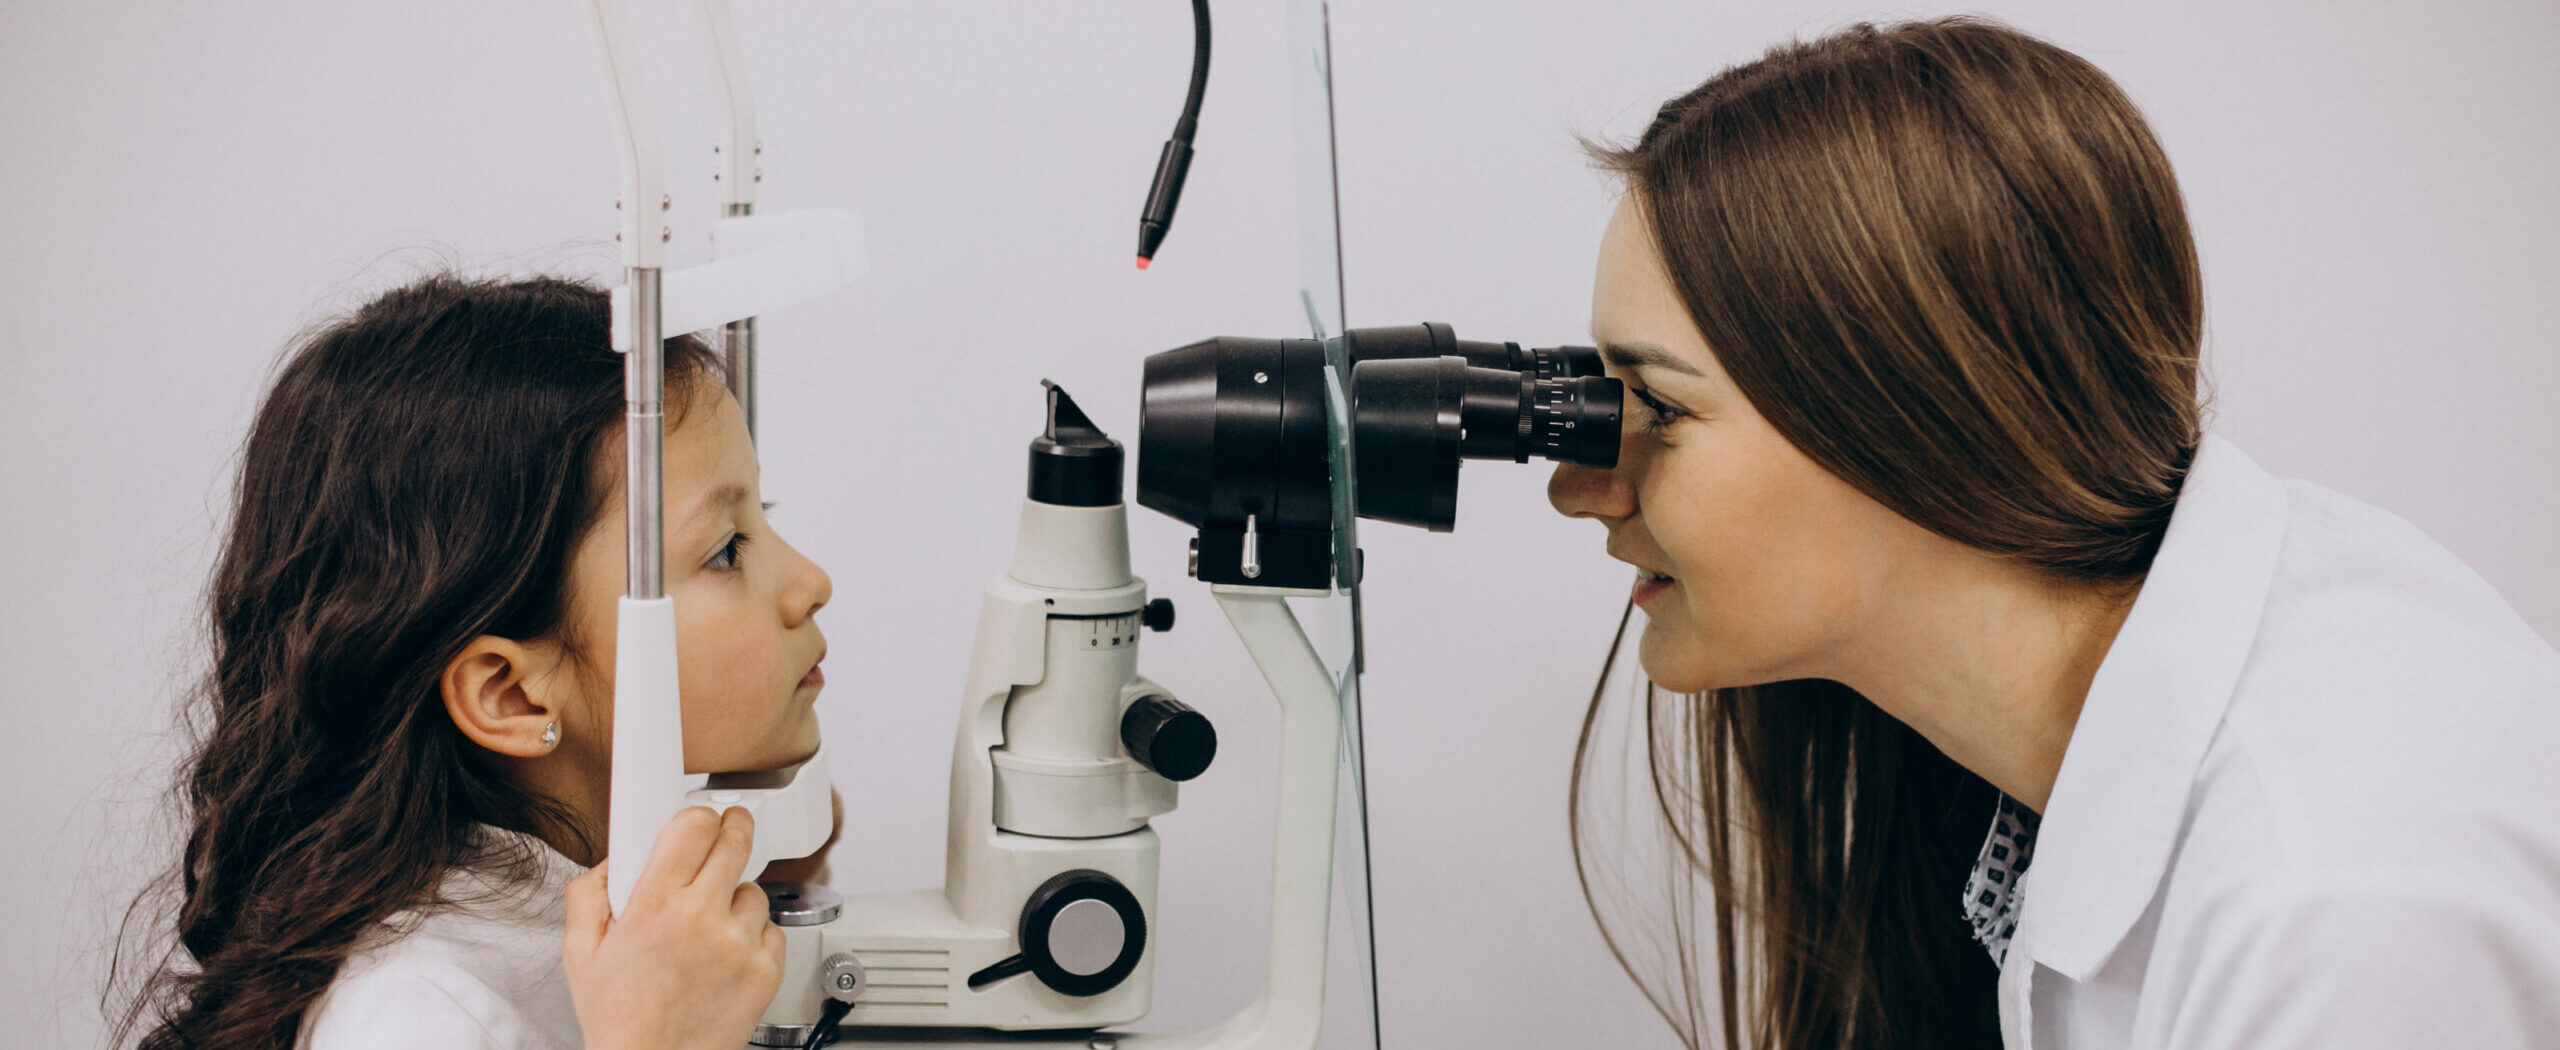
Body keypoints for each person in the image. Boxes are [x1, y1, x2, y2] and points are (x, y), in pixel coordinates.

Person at [1545, 17, 2560, 1050]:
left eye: (1657, 411)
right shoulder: (2037, 774)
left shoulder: (2330, 912)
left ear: (1919, 419)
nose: (1582, 490)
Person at [113, 275, 838, 1050]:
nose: (811, 583)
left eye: (764, 519)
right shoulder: (419, 1018)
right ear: (511, 696)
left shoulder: (594, 897)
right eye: (727, 550)